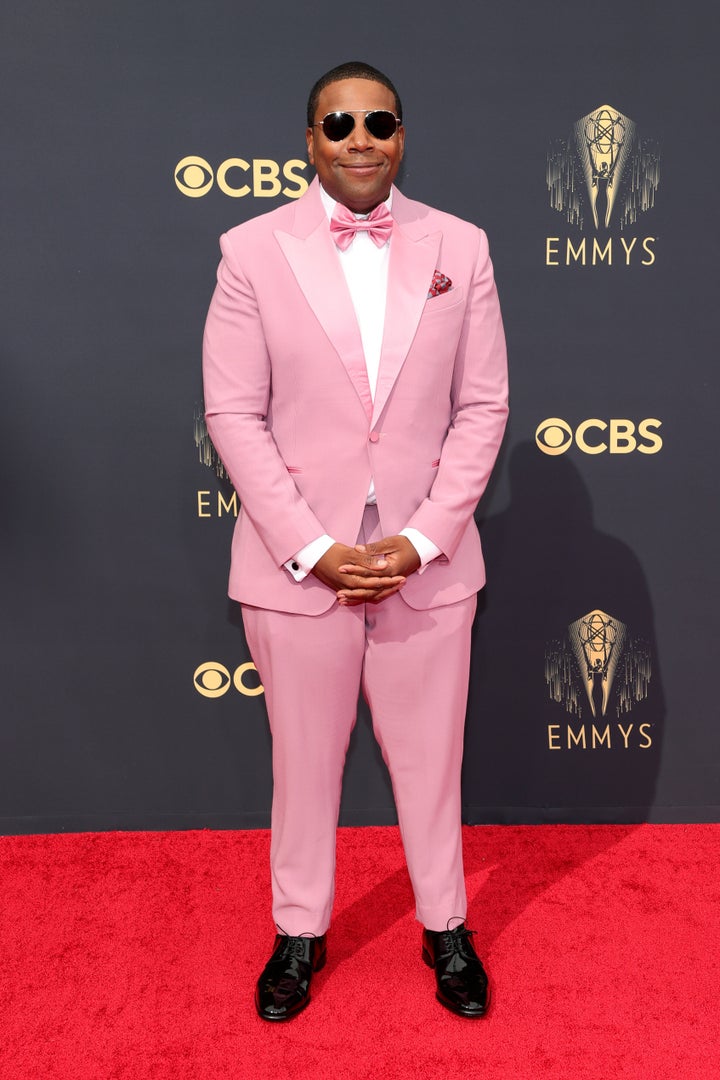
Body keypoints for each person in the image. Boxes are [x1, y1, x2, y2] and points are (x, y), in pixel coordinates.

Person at [202, 60, 508, 1021]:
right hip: (297, 573)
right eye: (341, 124)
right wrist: (311, 546)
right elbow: (233, 413)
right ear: (311, 141)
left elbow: (483, 406)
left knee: (432, 762)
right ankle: (299, 930)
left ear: (403, 136)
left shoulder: (462, 245)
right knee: (301, 766)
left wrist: (420, 541)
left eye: (380, 121)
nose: (361, 138)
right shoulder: (251, 250)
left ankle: (445, 925)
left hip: (428, 568)